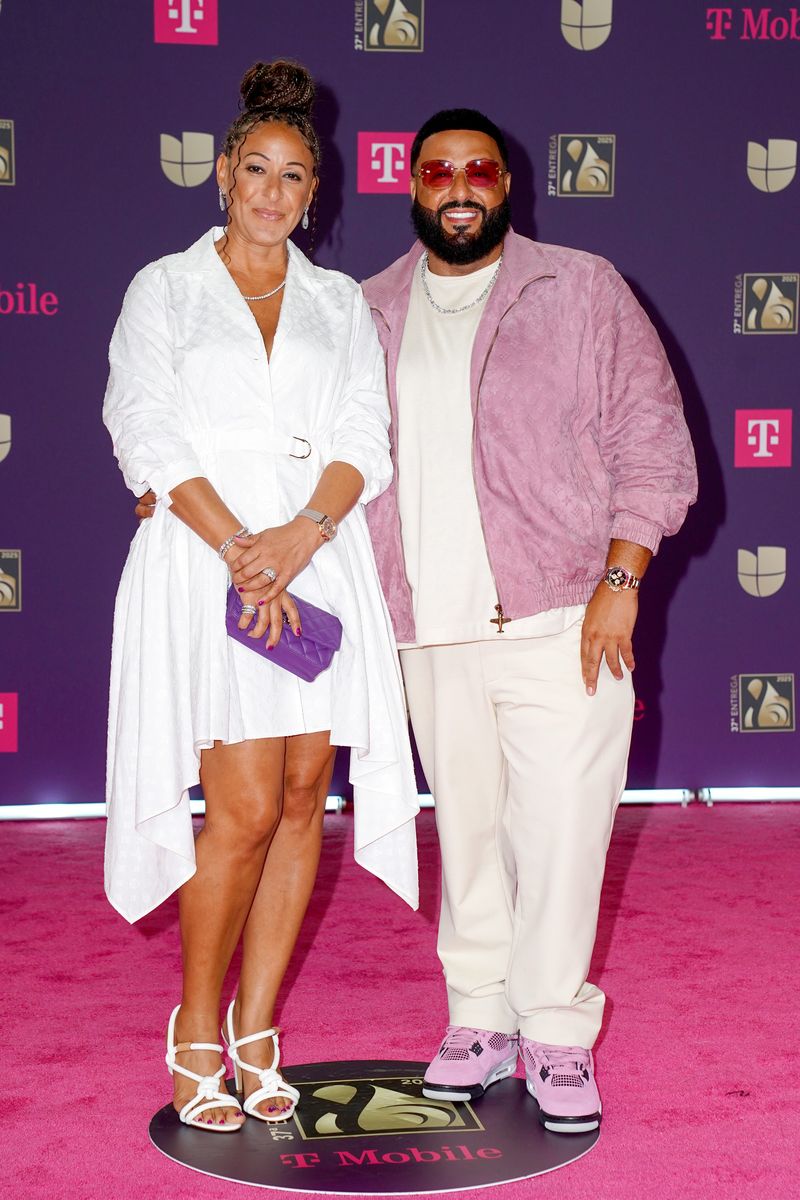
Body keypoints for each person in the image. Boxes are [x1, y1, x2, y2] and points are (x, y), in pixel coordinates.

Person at [361, 109, 698, 1133]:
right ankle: (477, 1018)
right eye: (435, 171)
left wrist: (620, 576)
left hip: (561, 614)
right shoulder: (367, 308)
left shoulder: (581, 287)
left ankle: (552, 1029)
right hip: (426, 627)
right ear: (410, 185)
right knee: (464, 837)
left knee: (558, 835)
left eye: (476, 170)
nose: (456, 185)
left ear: (506, 184)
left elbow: (651, 440)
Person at [103, 60, 418, 1133]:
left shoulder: (339, 303)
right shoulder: (165, 288)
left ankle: (259, 1026)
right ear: (223, 178)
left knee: (297, 803)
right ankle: (195, 1030)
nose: (273, 193)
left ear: (313, 191)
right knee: (236, 808)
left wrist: (299, 536)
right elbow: (143, 427)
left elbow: (361, 443)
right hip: (205, 562)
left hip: (314, 559)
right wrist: (243, 545)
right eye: (256, 171)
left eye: (295, 177)